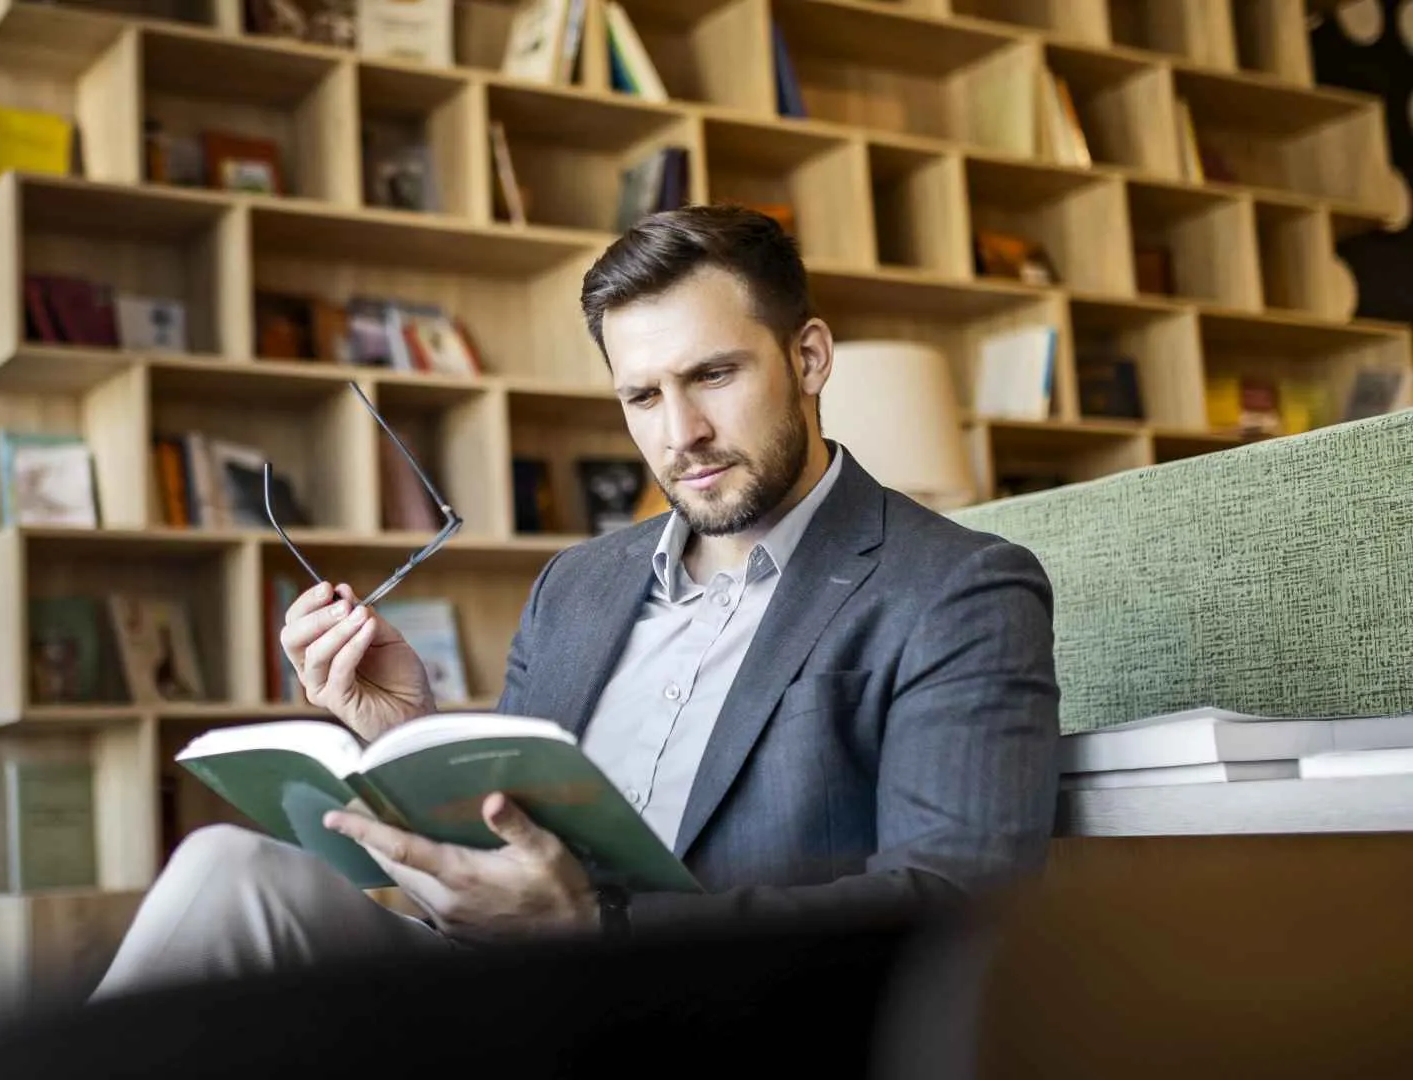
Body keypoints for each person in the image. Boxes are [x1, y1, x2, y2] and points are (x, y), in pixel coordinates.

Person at [92, 204, 1060, 999]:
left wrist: (601, 925)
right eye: (642, 397)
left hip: (717, 1016)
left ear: (808, 358)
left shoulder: (957, 588)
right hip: (502, 992)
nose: (681, 434)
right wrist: (405, 734)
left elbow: (952, 905)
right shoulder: (578, 586)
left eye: (713, 375)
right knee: (230, 875)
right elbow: (505, 847)